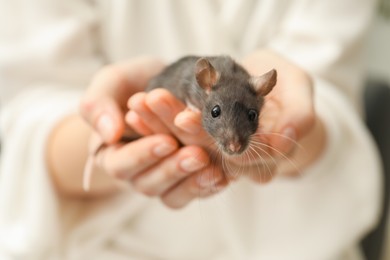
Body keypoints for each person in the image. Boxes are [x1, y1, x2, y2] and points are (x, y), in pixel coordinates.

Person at [0, 1, 382, 259]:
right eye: (216, 113)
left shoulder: (245, 90)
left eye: (249, 119)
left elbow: (331, 94)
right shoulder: (197, 83)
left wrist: (297, 139)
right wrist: (106, 137)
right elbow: (24, 104)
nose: (233, 140)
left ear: (261, 102)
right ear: (204, 88)